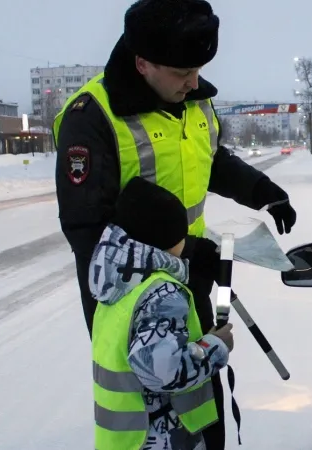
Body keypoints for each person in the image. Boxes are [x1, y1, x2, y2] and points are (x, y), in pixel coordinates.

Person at [53, 0, 296, 447]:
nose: (195, 81)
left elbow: (211, 159)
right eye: (183, 72)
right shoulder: (92, 117)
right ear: (142, 63)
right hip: (135, 302)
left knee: (204, 397)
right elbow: (89, 234)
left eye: (199, 68)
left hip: (190, 279)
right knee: (158, 413)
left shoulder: (193, 101)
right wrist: (177, 263)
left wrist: (263, 191)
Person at [89, 176, 234, 450]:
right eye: (181, 235)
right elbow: (161, 372)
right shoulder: (163, 294)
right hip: (160, 436)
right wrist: (214, 347)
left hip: (122, 437)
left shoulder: (115, 283)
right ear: (166, 242)